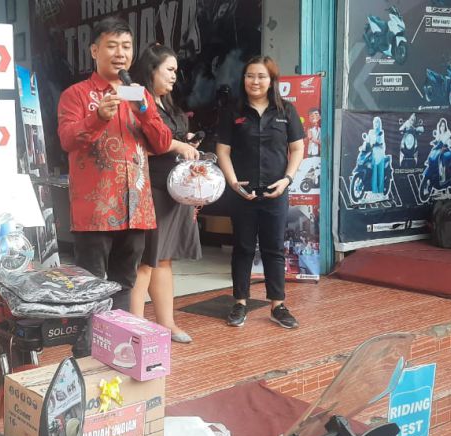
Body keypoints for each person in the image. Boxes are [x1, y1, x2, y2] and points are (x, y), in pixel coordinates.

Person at [57, 17, 172, 356]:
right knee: (91, 285)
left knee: (125, 282)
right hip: (95, 212)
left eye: (126, 46)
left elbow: (163, 143)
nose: (120, 53)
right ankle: (86, 351)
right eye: (112, 46)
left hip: (136, 209)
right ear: (94, 51)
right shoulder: (75, 95)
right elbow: (67, 139)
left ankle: (117, 348)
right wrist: (98, 117)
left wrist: (145, 111)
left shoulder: (140, 94)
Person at [216, 56, 305, 329]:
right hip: (242, 193)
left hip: (276, 192)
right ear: (243, 79)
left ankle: (278, 305)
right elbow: (223, 151)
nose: (255, 81)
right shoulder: (232, 111)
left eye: (261, 76)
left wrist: (287, 180)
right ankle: (240, 302)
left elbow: (298, 148)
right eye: (250, 76)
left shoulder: (286, 110)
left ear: (271, 80)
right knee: (242, 247)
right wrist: (233, 183)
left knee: (273, 248)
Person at [127, 44, 201, 344]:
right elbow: (139, 142)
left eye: (175, 71)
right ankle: (134, 327)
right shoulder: (134, 97)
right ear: (151, 70)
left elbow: (168, 139)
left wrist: (187, 143)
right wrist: (177, 145)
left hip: (176, 190)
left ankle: (167, 323)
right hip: (151, 189)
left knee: (165, 259)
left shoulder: (169, 105)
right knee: (146, 261)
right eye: (169, 70)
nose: (174, 76)